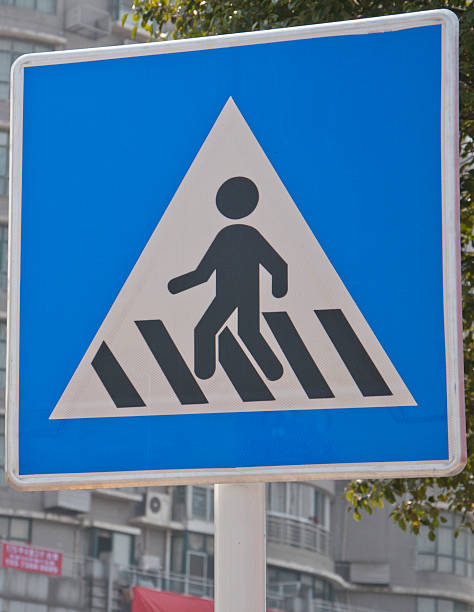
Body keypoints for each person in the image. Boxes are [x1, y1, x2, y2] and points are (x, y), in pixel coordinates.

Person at [168, 176, 287, 380]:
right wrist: (278, 287)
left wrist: (177, 285)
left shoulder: (235, 236)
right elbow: (278, 266)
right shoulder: (244, 235)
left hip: (231, 295)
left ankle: (206, 375)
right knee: (246, 333)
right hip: (240, 295)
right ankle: (272, 372)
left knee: (206, 330)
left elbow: (203, 274)